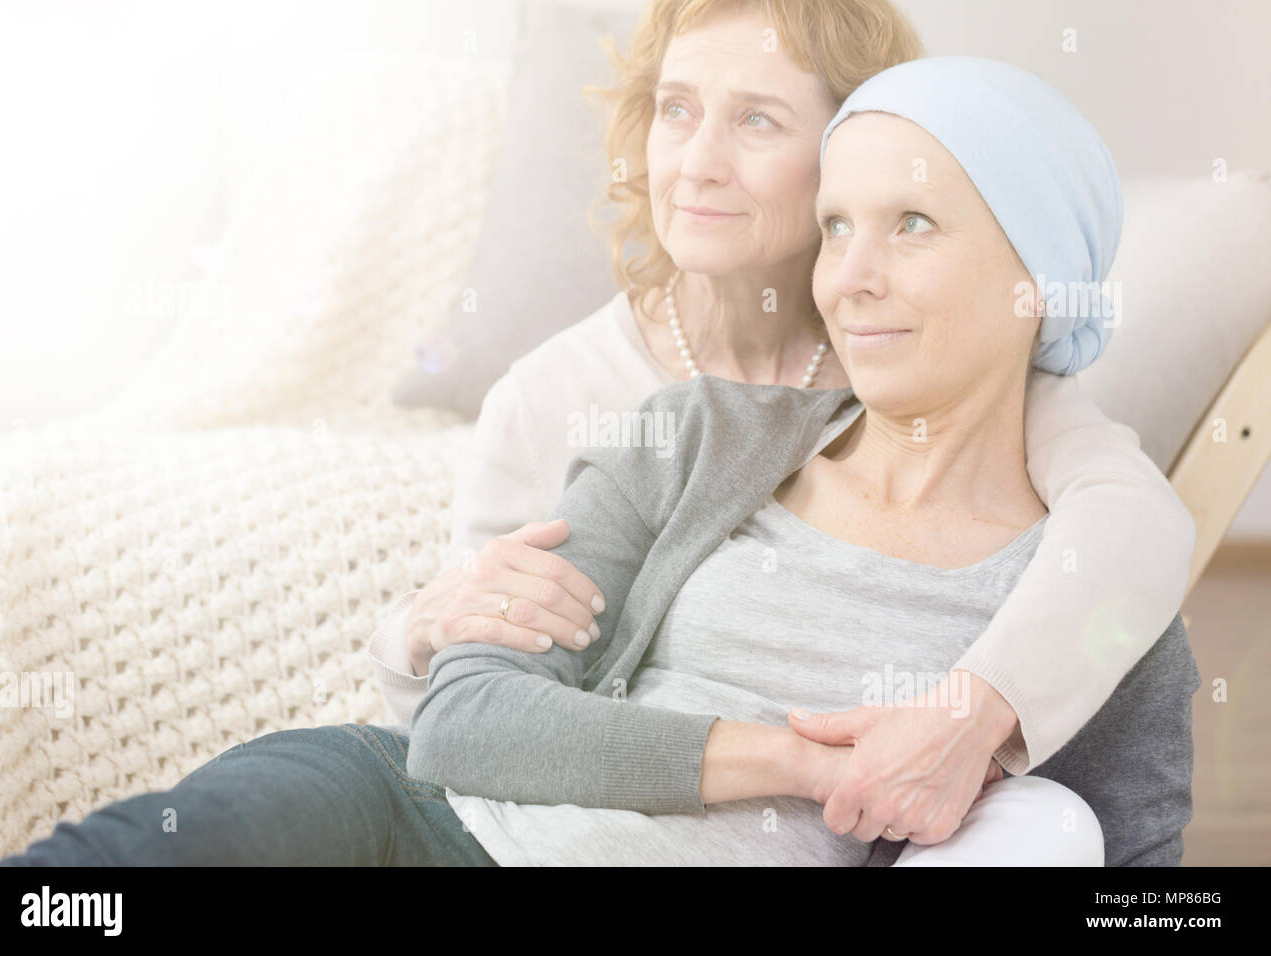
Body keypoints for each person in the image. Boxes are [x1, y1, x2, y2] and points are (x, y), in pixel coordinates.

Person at [370, 0, 1194, 852]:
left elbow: (1137, 524)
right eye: (676, 109)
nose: (697, 163)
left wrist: (976, 712)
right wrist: (415, 631)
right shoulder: (557, 399)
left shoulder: (938, 370)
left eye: (758, 119)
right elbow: (471, 720)